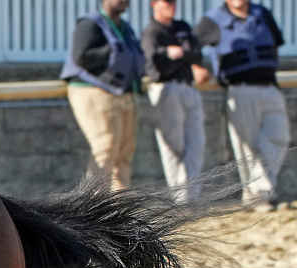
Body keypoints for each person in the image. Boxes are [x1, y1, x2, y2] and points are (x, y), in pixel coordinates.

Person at [196, 0, 290, 212]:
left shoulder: (262, 13)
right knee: (247, 147)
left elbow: (276, 42)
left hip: (270, 86)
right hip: (240, 90)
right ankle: (259, 196)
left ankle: (256, 191)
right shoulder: (212, 19)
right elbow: (191, 46)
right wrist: (195, 66)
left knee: (279, 137)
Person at [60, 0, 147, 190]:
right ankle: (95, 206)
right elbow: (81, 57)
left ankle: (119, 208)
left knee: (124, 153)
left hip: (124, 94)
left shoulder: (125, 28)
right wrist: (114, 53)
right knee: (104, 149)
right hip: (94, 92)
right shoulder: (89, 24)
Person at [142, 0, 210, 202]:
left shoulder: (182, 27)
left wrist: (180, 56)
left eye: (173, 2)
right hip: (167, 87)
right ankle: (181, 198)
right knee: (174, 145)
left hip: (188, 86)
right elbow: (153, 66)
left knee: (196, 143)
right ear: (154, 4)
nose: (171, 6)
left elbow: (196, 53)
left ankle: (191, 195)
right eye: (166, 2)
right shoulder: (151, 32)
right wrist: (173, 55)